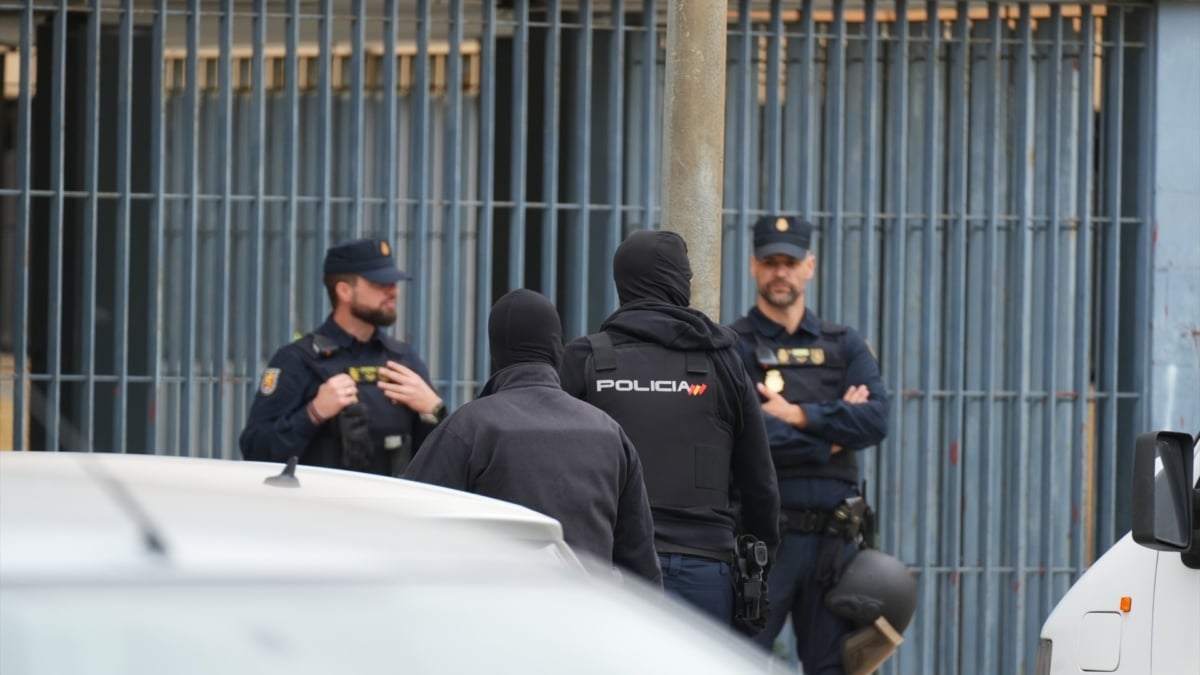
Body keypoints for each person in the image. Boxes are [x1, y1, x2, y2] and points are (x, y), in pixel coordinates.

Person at [559, 229, 780, 632]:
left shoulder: (585, 359)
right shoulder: (723, 362)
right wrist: (759, 568)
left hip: (609, 568)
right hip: (704, 571)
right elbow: (759, 483)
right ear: (675, 281)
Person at [404, 288, 662, 586]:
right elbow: (640, 564)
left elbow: (411, 526)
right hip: (586, 619)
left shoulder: (469, 427)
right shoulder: (609, 432)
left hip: (494, 620)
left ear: (496, 351)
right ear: (556, 346)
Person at [730, 216, 889, 674]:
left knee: (834, 667)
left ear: (810, 266)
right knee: (737, 660)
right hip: (762, 542)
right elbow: (747, 435)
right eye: (770, 262)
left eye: (791, 262)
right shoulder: (734, 346)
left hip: (834, 546)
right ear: (753, 266)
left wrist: (799, 415)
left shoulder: (844, 345)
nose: (781, 272)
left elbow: (875, 419)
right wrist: (832, 437)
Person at [239, 238, 447, 476]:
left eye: (394, 283)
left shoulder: (403, 360)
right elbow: (255, 450)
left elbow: (444, 460)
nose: (394, 291)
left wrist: (435, 411)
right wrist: (313, 414)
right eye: (380, 283)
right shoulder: (298, 361)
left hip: (390, 509)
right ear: (344, 291)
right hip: (324, 509)